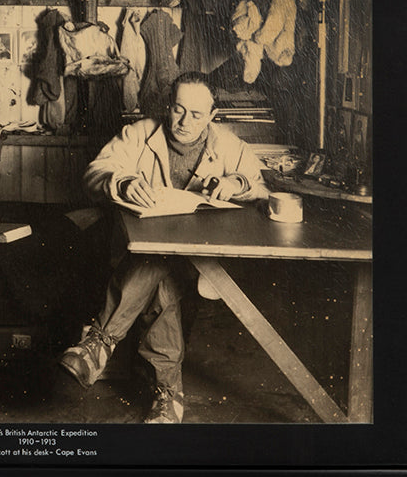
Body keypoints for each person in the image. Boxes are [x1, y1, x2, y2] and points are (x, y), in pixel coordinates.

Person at [59, 71, 269, 423]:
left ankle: (100, 342)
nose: (184, 122)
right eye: (178, 109)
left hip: (200, 259)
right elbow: (95, 172)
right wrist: (121, 181)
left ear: (213, 116)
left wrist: (236, 182)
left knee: (160, 266)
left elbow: (260, 185)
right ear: (167, 105)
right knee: (162, 279)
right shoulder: (139, 133)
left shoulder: (228, 143)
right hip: (143, 254)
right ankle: (168, 395)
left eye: (197, 115)